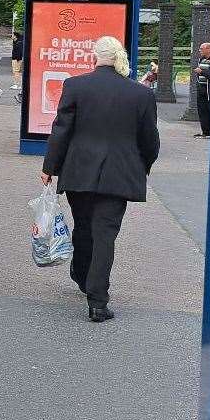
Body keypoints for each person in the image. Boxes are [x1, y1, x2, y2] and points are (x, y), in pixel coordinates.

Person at [40, 35, 160, 322]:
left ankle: (82, 276)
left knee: (83, 226)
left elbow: (61, 131)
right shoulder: (141, 94)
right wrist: (142, 164)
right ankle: (98, 302)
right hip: (119, 174)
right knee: (105, 234)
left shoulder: (75, 86)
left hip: (79, 169)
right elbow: (150, 141)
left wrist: (49, 167)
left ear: (95, 57)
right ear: (120, 57)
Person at [194, 42, 210, 137]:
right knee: (202, 111)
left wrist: (202, 72)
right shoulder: (201, 59)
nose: (199, 50)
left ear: (208, 49)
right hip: (201, 89)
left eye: (201, 48)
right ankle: (205, 132)